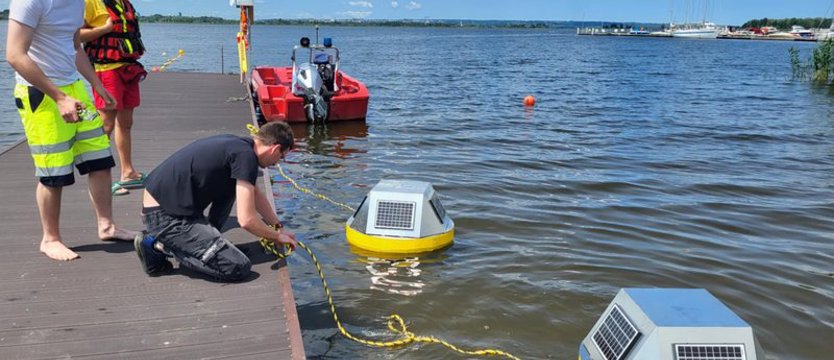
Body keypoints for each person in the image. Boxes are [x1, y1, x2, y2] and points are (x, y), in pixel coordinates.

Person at [6, 0, 139, 261]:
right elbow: (14, 54)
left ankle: (107, 225)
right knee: (53, 171)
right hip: (41, 93)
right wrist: (58, 97)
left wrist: (97, 85)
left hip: (74, 87)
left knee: (100, 159)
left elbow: (75, 46)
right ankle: (50, 238)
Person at [136, 122, 299, 281]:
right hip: (165, 217)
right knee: (238, 266)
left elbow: (255, 194)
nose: (276, 163)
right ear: (275, 149)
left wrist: (278, 227)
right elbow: (246, 220)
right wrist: (276, 237)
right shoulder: (246, 157)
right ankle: (158, 246)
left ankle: (204, 243)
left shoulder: (240, 146)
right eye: (280, 157)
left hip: (167, 206)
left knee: (231, 188)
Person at [80, 0, 147, 196]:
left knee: (126, 123)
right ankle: (99, 177)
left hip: (128, 67)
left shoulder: (124, 3)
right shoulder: (92, 2)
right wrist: (104, 29)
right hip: (106, 69)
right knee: (106, 124)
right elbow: (76, 35)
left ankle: (127, 172)